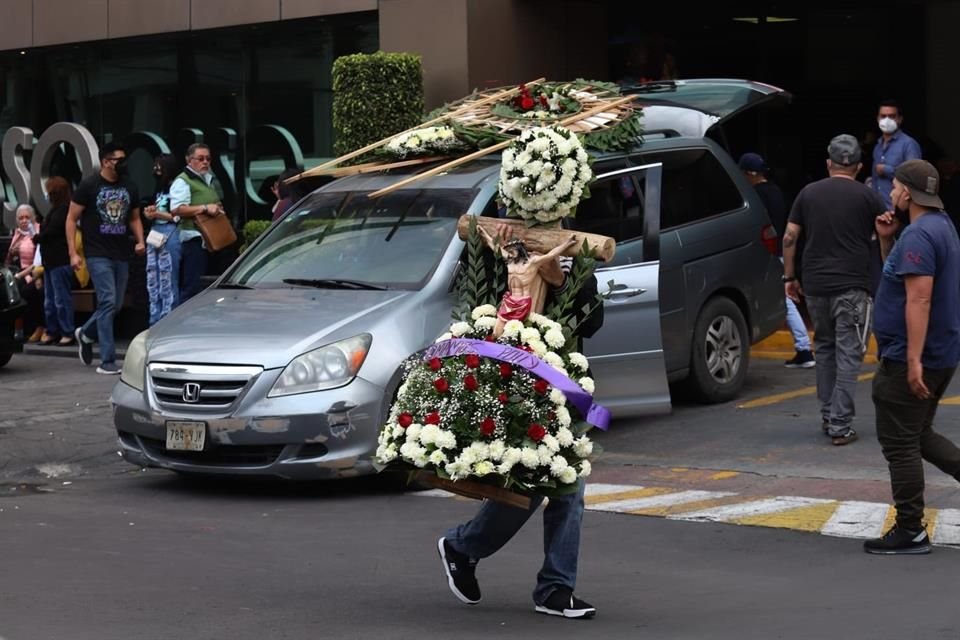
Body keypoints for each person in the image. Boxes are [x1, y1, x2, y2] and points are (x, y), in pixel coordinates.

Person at [438, 224, 601, 620]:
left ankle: (553, 587)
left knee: (562, 483)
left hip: (558, 383)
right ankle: (469, 548)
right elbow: (473, 294)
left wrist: (560, 279)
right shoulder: (501, 240)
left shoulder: (574, 252)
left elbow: (592, 321)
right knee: (534, 483)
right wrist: (500, 252)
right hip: (504, 377)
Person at [864, 160, 960, 555]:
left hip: (912, 356)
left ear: (906, 191)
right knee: (918, 434)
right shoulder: (941, 226)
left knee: (899, 442)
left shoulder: (920, 235)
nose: (891, 191)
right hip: (939, 351)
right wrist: (887, 240)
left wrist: (914, 360)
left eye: (895, 185)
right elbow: (906, 285)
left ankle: (910, 529)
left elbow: (919, 298)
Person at [782, 134, 886, 445]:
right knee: (849, 355)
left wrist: (789, 278)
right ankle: (840, 424)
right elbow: (883, 236)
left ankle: (829, 415)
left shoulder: (808, 193)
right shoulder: (868, 197)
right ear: (859, 166)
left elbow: (789, 237)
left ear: (828, 163)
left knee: (825, 349)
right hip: (852, 285)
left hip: (814, 285)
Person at [66, 142, 146, 374]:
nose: (122, 164)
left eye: (124, 159)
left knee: (116, 304)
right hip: (97, 253)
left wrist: (140, 240)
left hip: (122, 252)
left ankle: (86, 333)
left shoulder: (129, 186)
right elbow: (71, 218)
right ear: (105, 162)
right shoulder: (89, 185)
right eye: (118, 159)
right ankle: (108, 361)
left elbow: (134, 217)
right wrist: (73, 253)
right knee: (108, 301)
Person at [739, 152, 814, 369]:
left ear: (750, 174)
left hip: (768, 255)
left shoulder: (756, 196)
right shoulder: (775, 191)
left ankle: (804, 349)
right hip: (778, 252)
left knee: (785, 301)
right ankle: (803, 348)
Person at [171, 143, 226, 301]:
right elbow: (177, 209)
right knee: (192, 288)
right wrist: (205, 208)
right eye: (200, 159)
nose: (205, 162)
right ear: (189, 160)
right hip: (194, 239)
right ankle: (181, 323)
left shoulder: (207, 180)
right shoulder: (183, 181)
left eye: (208, 159)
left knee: (207, 287)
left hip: (211, 240)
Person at [34, 177, 76, 346]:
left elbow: (51, 231)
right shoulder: (56, 210)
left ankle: (66, 331)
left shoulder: (63, 210)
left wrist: (38, 237)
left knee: (60, 299)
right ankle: (53, 330)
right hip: (51, 262)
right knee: (50, 300)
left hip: (59, 261)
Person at [144, 153, 183, 325]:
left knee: (168, 276)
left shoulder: (177, 186)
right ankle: (154, 318)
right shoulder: (160, 188)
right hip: (156, 231)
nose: (156, 170)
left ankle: (167, 319)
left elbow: (177, 215)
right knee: (153, 275)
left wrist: (157, 213)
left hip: (170, 232)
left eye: (160, 166)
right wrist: (150, 214)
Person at [871, 100, 922, 209]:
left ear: (900, 119)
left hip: (898, 211)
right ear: (878, 119)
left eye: (892, 116)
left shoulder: (909, 144)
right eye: (883, 116)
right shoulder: (877, 146)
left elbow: (915, 177)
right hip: (878, 210)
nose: (887, 120)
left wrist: (887, 170)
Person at [5, 204, 45, 342]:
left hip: (38, 270)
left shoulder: (38, 231)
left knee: (28, 290)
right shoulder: (17, 233)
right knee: (11, 290)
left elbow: (39, 260)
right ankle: (18, 329)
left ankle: (39, 326)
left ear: (33, 218)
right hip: (22, 271)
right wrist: (13, 252)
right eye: (20, 218)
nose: (24, 221)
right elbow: (9, 259)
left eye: (27, 217)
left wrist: (22, 275)